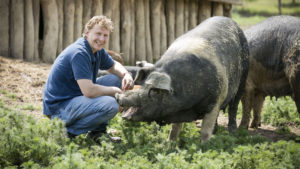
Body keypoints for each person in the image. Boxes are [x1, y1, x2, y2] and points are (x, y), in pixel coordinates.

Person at [43, 15, 134, 140]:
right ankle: (66, 133)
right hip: (59, 108)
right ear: (87, 32)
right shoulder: (80, 52)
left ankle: (97, 133)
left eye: (105, 35)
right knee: (111, 105)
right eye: (98, 34)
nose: (101, 39)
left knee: (116, 79)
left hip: (76, 98)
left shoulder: (97, 50)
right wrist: (115, 91)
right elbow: (89, 91)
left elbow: (113, 65)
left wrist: (126, 75)